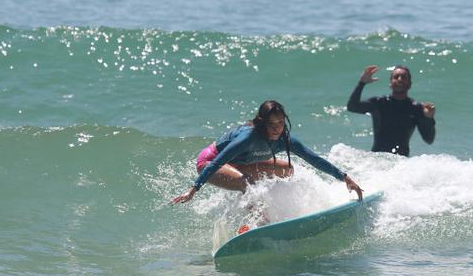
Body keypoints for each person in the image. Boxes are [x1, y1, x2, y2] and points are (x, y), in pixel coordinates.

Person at [171, 100, 363, 204]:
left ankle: (266, 206)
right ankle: (251, 222)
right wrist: (193, 189)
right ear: (262, 122)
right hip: (210, 162)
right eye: (271, 124)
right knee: (247, 183)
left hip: (242, 163)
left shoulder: (286, 140)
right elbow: (217, 162)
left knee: (287, 169)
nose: (276, 128)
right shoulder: (248, 137)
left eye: (280, 123)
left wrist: (344, 177)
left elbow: (314, 159)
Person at [346, 65, 435, 156]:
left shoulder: (416, 108)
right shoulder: (379, 103)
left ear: (409, 84)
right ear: (390, 83)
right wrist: (362, 83)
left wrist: (429, 119)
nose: (400, 79)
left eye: (403, 77)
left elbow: (429, 139)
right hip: (377, 159)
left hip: (400, 163)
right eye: (396, 77)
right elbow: (352, 107)